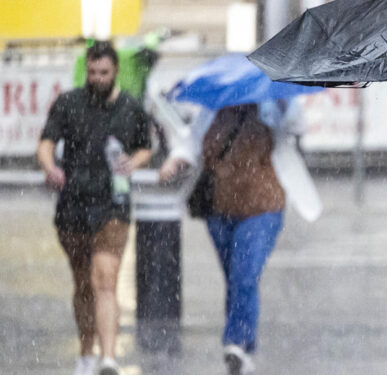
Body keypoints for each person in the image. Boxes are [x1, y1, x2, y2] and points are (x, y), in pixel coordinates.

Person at [37, 41, 152, 375]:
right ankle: (86, 352)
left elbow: (146, 147)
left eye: (103, 72)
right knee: (83, 283)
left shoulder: (131, 108)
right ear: (86, 71)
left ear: (115, 70)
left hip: (112, 205)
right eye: (92, 72)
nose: (97, 78)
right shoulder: (68, 103)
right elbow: (45, 144)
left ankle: (108, 358)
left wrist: (135, 162)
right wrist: (49, 167)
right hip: (72, 205)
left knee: (105, 279)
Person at [160, 103, 285, 375]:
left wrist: (281, 109)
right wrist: (175, 160)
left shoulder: (273, 106)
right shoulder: (212, 110)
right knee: (234, 278)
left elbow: (293, 129)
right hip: (220, 207)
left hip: (263, 207)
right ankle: (243, 348)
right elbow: (191, 141)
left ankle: (236, 343)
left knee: (245, 275)